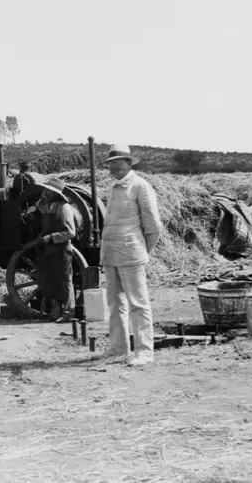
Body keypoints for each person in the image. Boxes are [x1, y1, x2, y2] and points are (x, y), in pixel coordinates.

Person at [101, 144, 162, 366]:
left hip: (131, 255)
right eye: (111, 165)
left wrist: (141, 251)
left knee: (138, 303)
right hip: (110, 254)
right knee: (115, 304)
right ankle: (118, 348)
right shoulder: (112, 188)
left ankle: (144, 351)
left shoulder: (140, 186)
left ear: (129, 163)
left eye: (119, 163)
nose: (114, 168)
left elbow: (153, 226)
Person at [35, 178, 79, 323]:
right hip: (49, 250)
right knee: (50, 280)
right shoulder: (47, 207)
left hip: (61, 249)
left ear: (55, 193)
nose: (45, 192)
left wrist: (51, 237)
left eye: (48, 191)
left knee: (64, 280)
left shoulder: (64, 207)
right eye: (44, 190)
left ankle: (68, 312)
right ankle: (55, 311)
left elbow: (70, 232)